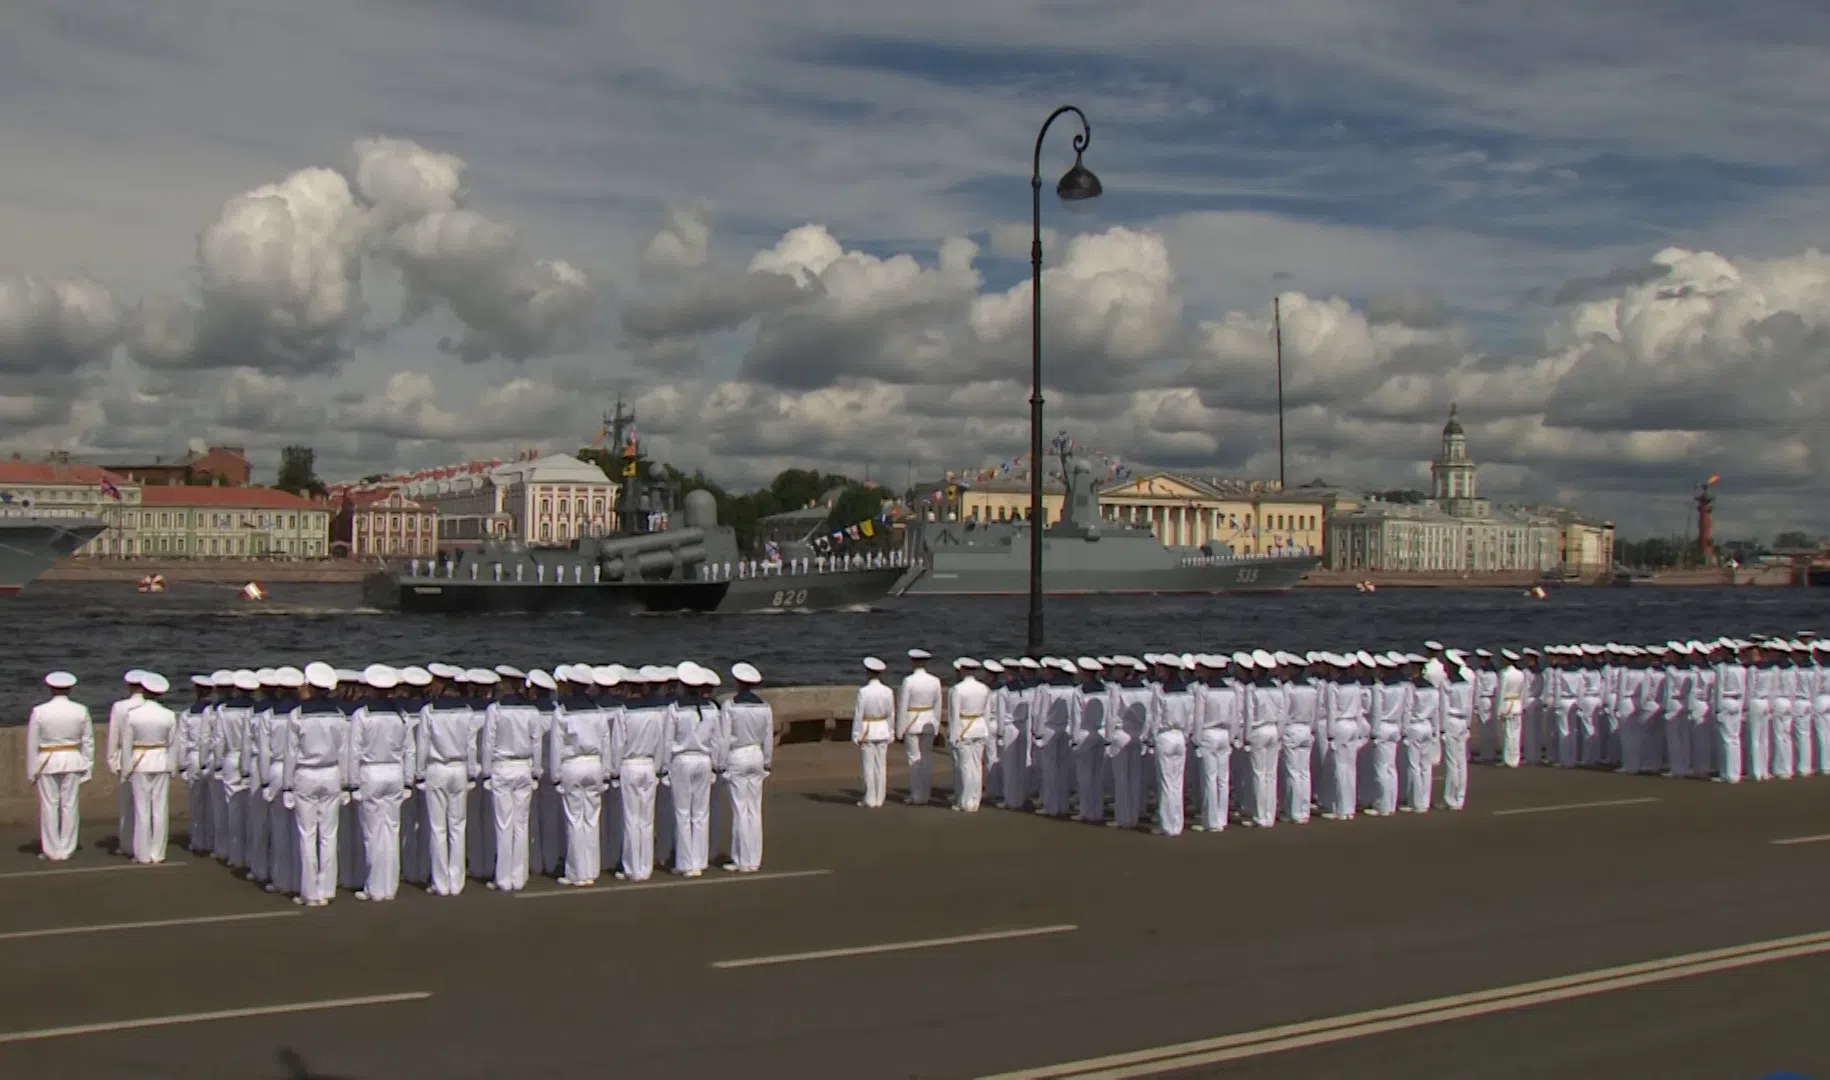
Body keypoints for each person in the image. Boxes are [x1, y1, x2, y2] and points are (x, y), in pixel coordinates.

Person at [285, 664, 353, 906]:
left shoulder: (298, 715)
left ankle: (309, 891)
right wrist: (346, 783)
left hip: (306, 774)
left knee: (307, 834)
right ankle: (326, 889)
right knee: (328, 834)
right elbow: (345, 752)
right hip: (332, 774)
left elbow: (291, 755)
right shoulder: (339, 715)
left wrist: (286, 786)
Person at [351, 664, 413, 901]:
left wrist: (352, 783)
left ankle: (374, 887)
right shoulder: (402, 716)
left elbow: (354, 752)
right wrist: (408, 779)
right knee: (391, 831)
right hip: (395, 773)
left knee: (372, 832)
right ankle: (389, 886)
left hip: (371, 773)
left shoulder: (363, 715)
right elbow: (410, 750)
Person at [418, 665, 481, 896]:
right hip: (459, 769)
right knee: (457, 826)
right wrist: (472, 771)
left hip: (437, 768)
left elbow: (423, 746)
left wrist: (419, 773)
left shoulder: (430, 711)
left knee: (438, 828)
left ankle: (441, 882)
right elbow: (471, 744)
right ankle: (457, 881)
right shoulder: (467, 711)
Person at [549, 667, 610, 886]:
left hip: (572, 765)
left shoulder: (562, 712)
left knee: (575, 820)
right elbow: (606, 743)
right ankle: (591, 870)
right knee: (591, 819)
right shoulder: (599, 711)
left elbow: (557, 746)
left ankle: (576, 872)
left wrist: (555, 775)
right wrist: (605, 772)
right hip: (594, 764)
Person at [612, 669, 670, 882]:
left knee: (631, 818)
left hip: (630, 765)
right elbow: (661, 742)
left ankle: (631, 867)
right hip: (648, 765)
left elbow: (618, 744)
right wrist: (657, 767)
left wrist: (615, 771)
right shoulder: (655, 712)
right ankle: (645, 867)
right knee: (647, 819)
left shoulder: (623, 712)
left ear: (627, 688)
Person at [27, 671, 92, 861]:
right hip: (72, 759)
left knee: (49, 805)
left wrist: (32, 771)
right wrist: (87, 765)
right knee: (70, 805)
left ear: (50, 688)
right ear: (70, 689)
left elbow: (32, 743)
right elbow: (88, 741)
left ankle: (51, 849)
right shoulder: (81, 710)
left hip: (47, 760)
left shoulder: (40, 711)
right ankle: (67, 848)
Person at [665, 664, 720, 876]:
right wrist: (716, 763)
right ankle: (699, 859)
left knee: (682, 812)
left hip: (682, 759)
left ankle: (686, 862)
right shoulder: (712, 708)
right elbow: (717, 739)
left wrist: (664, 766)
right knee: (700, 813)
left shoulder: (676, 708)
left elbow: (668, 740)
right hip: (704, 759)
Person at [719, 663, 772, 872]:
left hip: (738, 754)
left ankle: (740, 858)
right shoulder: (764, 706)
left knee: (740, 809)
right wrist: (767, 761)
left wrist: (721, 764)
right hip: (756, 754)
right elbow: (767, 736)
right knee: (754, 809)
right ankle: (753, 859)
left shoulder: (730, 706)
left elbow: (724, 738)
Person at [122, 673, 179, 864]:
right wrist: (172, 767)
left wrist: (125, 769)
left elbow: (127, 745)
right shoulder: (169, 715)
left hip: (140, 762)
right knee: (160, 809)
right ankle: (158, 852)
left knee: (142, 808)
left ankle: (143, 853)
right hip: (161, 761)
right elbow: (173, 745)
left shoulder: (133, 715)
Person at [1145, 656, 1196, 836]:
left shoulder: (1161, 691)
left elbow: (1156, 718)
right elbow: (1190, 718)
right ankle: (1177, 823)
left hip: (1165, 736)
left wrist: (1151, 737)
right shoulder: (1187, 691)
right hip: (1180, 737)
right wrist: (1186, 735)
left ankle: (1167, 825)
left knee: (1166, 783)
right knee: (1177, 782)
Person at [1191, 655, 1238, 832]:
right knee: (1223, 779)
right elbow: (1234, 717)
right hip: (1225, 734)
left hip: (1209, 734)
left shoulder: (1204, 690)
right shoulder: (1230, 690)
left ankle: (1210, 821)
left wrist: (1196, 740)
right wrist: (1232, 737)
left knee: (1210, 778)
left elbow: (1199, 718)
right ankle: (1221, 818)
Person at [107, 670, 148, 858]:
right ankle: (145, 844)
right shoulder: (151, 706)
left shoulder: (119, 706)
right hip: (149, 756)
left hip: (127, 757)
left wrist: (112, 761)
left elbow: (113, 737)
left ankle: (127, 844)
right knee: (147, 806)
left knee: (127, 805)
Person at [1243, 652, 1286, 828]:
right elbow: (1282, 713)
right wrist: (1281, 734)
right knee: (1270, 775)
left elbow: (1249, 714)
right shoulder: (1277, 687)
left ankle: (1260, 816)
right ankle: (1270, 815)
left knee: (1259, 774)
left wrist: (1246, 737)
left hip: (1259, 730)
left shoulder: (1252, 688)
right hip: (1274, 730)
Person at [895, 649, 943, 806]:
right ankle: (925, 794)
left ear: (913, 662)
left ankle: (916, 794)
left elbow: (903, 706)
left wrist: (899, 729)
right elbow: (938, 705)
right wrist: (935, 724)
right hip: (928, 721)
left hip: (912, 722)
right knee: (926, 759)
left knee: (914, 759)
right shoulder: (935, 681)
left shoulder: (909, 681)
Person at [177, 676, 217, 855]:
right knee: (213, 802)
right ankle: (212, 839)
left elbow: (182, 742)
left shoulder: (188, 714)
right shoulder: (216, 712)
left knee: (196, 802)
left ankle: (198, 839)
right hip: (213, 757)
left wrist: (182, 765)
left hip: (194, 757)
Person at [946, 658, 991, 812]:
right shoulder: (984, 688)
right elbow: (987, 713)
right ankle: (974, 800)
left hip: (964, 729)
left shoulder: (957, 689)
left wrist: (953, 736)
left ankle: (964, 801)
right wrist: (986, 732)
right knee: (977, 766)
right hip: (979, 728)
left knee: (965, 766)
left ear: (963, 670)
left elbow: (954, 716)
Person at [851, 658, 894, 808]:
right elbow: (890, 714)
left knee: (868, 766)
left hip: (868, 730)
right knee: (881, 766)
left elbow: (859, 715)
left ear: (868, 673)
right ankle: (879, 798)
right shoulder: (888, 691)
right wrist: (891, 731)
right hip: (882, 729)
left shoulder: (864, 692)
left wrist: (856, 734)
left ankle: (870, 798)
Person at [1280, 656, 1318, 825]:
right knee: (1304, 773)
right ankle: (1304, 810)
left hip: (1292, 729)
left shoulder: (1289, 688)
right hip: (1306, 729)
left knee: (1293, 773)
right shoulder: (1312, 688)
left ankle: (1294, 812)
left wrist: (1280, 733)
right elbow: (1315, 713)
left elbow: (1284, 714)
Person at [1440, 653, 1474, 810]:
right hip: (1463, 722)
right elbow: (1469, 706)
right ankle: (1460, 797)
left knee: (1452, 762)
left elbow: (1444, 708)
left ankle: (1450, 798)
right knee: (1461, 763)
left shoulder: (1447, 684)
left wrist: (1442, 728)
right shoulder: (1466, 684)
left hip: (1452, 721)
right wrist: (1468, 725)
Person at [1494, 650, 1526, 768]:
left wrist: (1499, 711)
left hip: (1507, 704)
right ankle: (1515, 758)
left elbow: (1501, 693)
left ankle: (1507, 759)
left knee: (1507, 733)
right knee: (1516, 733)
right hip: (1516, 704)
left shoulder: (1504, 674)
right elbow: (1522, 691)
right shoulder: (1520, 674)